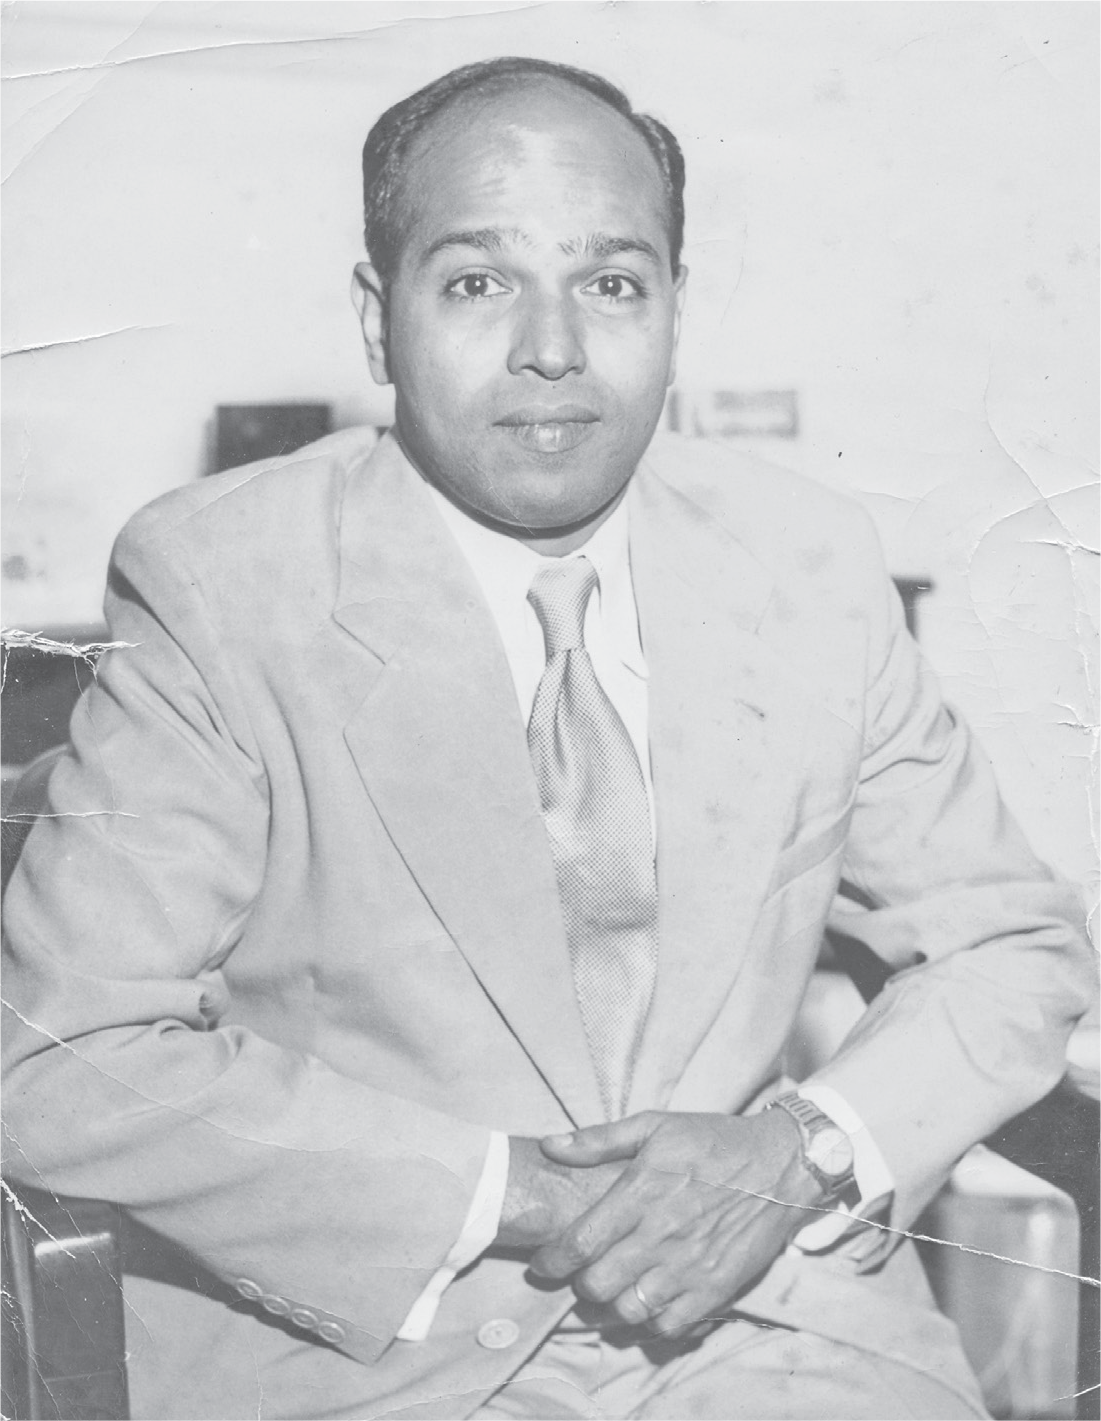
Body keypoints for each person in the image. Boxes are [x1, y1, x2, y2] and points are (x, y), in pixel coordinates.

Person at [2, 56, 1092, 1421]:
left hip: (767, 1318)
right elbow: (61, 1052)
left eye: (613, 283)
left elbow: (1013, 940)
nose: (554, 349)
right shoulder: (225, 583)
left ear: (676, 307)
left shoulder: (804, 559)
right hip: (377, 1353)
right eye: (478, 282)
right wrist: (517, 1192)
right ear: (376, 319)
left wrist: (798, 1152)